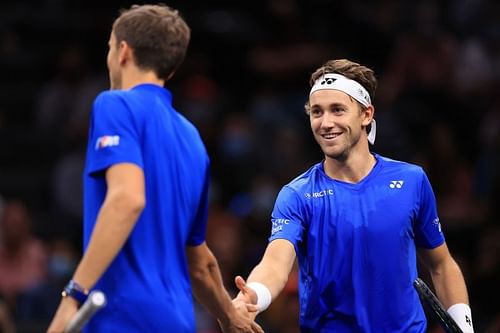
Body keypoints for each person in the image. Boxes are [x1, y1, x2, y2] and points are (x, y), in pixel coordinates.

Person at [47, 4, 262, 333]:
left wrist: (72, 296)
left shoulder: (113, 104)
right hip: (176, 320)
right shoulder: (192, 138)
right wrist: (229, 317)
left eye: (108, 48)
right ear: (171, 69)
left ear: (122, 51)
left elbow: (127, 200)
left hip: (121, 315)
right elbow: (200, 262)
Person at [233, 59, 475, 332]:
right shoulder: (297, 195)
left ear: (366, 114)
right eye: (317, 112)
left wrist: (464, 327)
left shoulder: (411, 181)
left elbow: (441, 264)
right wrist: (253, 295)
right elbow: (275, 264)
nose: (326, 123)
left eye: (338, 110)